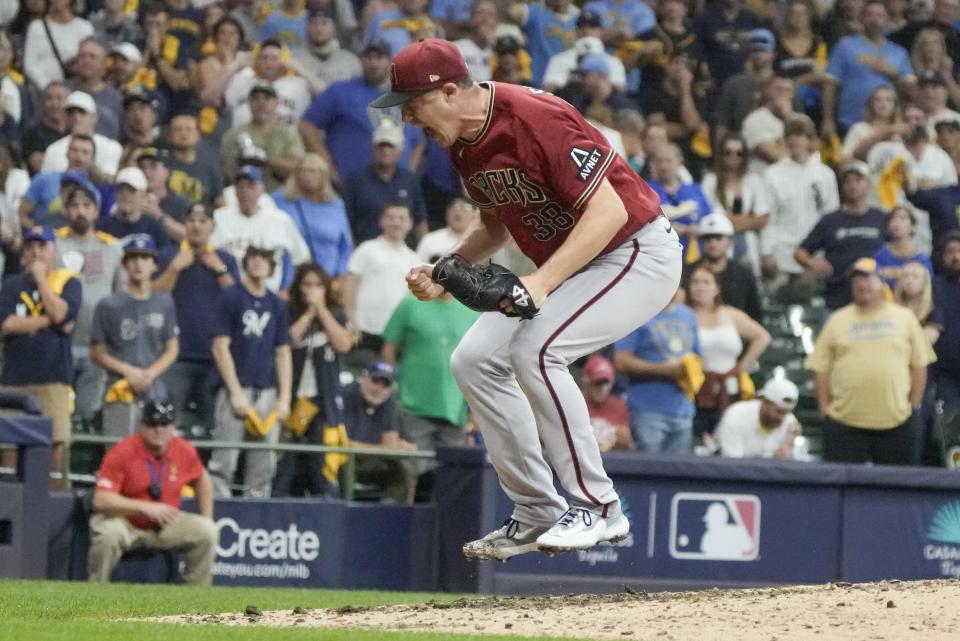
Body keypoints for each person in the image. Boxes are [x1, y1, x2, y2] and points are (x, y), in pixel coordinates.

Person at [377, 39, 681, 557]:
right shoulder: (461, 142)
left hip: (635, 250)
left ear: (450, 91)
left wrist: (539, 283)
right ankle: (538, 510)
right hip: (575, 263)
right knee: (474, 360)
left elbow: (607, 212)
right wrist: (446, 267)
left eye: (411, 102)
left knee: (536, 350)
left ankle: (600, 508)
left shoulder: (533, 116)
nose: (405, 117)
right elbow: (495, 224)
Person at [806, 257, 936, 464]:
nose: (861, 283)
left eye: (868, 278)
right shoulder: (838, 320)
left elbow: (919, 365)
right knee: (841, 490)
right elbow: (820, 369)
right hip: (844, 423)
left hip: (897, 422)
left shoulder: (904, 318)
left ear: (882, 282)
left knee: (895, 490)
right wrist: (824, 410)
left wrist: (914, 405)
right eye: (857, 279)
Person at [87, 400, 217, 585]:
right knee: (108, 534)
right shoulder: (122, 452)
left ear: (173, 427)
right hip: (125, 523)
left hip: (165, 525)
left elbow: (202, 477)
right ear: (142, 425)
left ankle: (196, 599)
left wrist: (207, 516)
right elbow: (101, 500)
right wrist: (144, 508)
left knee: (207, 531)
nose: (158, 430)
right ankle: (95, 590)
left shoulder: (184, 450)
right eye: (152, 424)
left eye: (164, 424)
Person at [209, 245, 292, 497]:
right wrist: (234, 392)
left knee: (264, 463)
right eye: (252, 258)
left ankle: (258, 515)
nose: (257, 262)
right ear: (244, 263)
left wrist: (284, 397)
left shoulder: (276, 303)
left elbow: (283, 351)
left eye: (263, 258)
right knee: (225, 460)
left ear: (271, 267)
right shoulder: (231, 296)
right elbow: (220, 346)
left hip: (266, 389)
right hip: (236, 387)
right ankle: (220, 509)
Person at [0, 226, 81, 481]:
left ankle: (52, 518)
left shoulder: (69, 281)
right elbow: (6, 324)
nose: (36, 252)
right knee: (9, 447)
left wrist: (42, 281)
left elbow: (60, 313)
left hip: (53, 380)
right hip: (14, 381)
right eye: (31, 246)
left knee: (54, 448)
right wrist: (48, 322)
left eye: (42, 246)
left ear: (53, 250)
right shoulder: (12, 284)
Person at [381, 277, 480, 486]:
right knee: (416, 479)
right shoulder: (410, 304)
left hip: (455, 410)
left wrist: (473, 411)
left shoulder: (472, 312)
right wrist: (393, 391)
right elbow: (388, 351)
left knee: (454, 483)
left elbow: (477, 363)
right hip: (413, 406)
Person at [154, 203, 239, 437]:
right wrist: (174, 268)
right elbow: (151, 296)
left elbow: (238, 301)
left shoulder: (226, 260)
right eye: (191, 220)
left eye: (203, 221)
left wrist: (219, 270)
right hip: (175, 356)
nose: (196, 225)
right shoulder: (167, 255)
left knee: (215, 426)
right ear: (183, 224)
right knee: (167, 422)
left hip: (216, 358)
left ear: (213, 225)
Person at [272, 263, 354, 498]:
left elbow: (343, 344)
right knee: (285, 469)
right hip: (293, 402)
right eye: (307, 285)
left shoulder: (336, 313)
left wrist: (322, 311)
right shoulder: (288, 312)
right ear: (299, 288)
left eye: (318, 285)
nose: (313, 290)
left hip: (324, 405)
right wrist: (309, 314)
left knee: (323, 471)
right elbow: (286, 342)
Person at [90, 235, 180, 437]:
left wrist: (150, 373)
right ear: (124, 264)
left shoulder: (164, 302)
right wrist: (128, 371)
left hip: (155, 386)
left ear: (154, 265)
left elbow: (172, 347)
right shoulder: (109, 304)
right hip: (119, 386)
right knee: (119, 449)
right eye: (133, 257)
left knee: (156, 448)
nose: (138, 263)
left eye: (145, 257)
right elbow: (96, 352)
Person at [55, 180, 124, 428]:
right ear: (66, 210)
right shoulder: (54, 244)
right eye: (74, 205)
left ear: (96, 211)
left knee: (89, 413)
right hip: (61, 342)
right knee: (57, 413)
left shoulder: (112, 248)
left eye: (87, 205)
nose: (80, 211)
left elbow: (121, 295)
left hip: (98, 345)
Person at [686, 263, 771, 440]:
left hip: (731, 388)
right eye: (695, 282)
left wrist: (743, 365)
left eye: (705, 282)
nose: (700, 286)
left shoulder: (730, 314)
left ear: (716, 288)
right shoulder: (683, 316)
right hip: (695, 390)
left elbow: (762, 337)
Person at [614, 289, 700, 454]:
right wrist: (664, 370)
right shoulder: (638, 315)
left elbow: (700, 357)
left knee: (681, 474)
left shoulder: (688, 315)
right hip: (646, 409)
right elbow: (621, 361)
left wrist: (690, 366)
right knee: (648, 473)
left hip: (683, 409)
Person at [761, 115, 840, 291]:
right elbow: (769, 217)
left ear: (809, 140)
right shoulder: (772, 174)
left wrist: (830, 252)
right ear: (785, 140)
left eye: (801, 135)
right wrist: (766, 252)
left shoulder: (825, 174)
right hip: (781, 252)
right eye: (791, 135)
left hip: (814, 254)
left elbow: (831, 216)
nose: (795, 140)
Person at [795, 160, 887, 309]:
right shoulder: (830, 220)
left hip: (877, 295)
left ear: (868, 184)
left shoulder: (881, 218)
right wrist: (813, 263)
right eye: (847, 181)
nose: (852, 185)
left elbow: (897, 247)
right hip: (837, 295)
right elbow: (800, 252)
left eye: (858, 180)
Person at [210, 165, 311, 293]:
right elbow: (204, 253)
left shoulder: (280, 219)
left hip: (268, 296)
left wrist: (287, 291)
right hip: (227, 296)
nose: (245, 191)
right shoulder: (219, 217)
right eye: (240, 186)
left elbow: (302, 259)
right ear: (234, 190)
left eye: (251, 186)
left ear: (261, 189)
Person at [822, 0, 916, 138]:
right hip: (849, 123)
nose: (874, 19)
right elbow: (830, 85)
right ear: (861, 18)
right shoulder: (845, 46)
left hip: (888, 126)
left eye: (879, 15)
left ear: (888, 20)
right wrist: (827, 120)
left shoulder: (899, 52)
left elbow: (912, 92)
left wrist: (893, 74)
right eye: (869, 14)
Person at [343, 202, 421, 354]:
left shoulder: (414, 259)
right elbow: (349, 287)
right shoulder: (366, 249)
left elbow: (414, 299)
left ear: (410, 223)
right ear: (381, 221)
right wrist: (351, 321)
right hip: (364, 328)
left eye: (401, 218)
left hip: (396, 334)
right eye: (390, 217)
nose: (396, 222)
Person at [341, 361, 418, 504]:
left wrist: (393, 447)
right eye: (375, 382)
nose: (379, 389)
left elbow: (391, 444)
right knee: (346, 461)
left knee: (404, 464)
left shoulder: (389, 403)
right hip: (345, 459)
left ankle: (400, 513)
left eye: (385, 385)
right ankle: (344, 511)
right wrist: (386, 448)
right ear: (363, 378)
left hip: (371, 460)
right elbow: (343, 444)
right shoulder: (346, 396)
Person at [342, 119, 429, 244]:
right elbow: (346, 222)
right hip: (365, 251)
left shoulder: (409, 181)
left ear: (400, 150)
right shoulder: (356, 181)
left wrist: (423, 251)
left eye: (390, 146)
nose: (385, 151)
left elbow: (420, 220)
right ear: (373, 148)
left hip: (404, 253)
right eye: (381, 146)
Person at [272, 154, 353, 278]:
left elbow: (345, 246)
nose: (308, 176)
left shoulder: (336, 205)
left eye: (313, 171)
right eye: (303, 171)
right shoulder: (279, 200)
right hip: (290, 278)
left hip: (326, 278)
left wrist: (340, 276)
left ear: (324, 176)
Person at [701, 134, 769, 276]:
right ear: (721, 154)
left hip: (749, 244)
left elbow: (762, 219)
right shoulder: (710, 180)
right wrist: (748, 218)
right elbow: (710, 217)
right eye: (728, 152)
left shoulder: (753, 180)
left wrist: (730, 220)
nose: (734, 157)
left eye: (739, 153)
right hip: (719, 244)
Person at [220, 81, 305, 192]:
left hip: (281, 196)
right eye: (256, 99)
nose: (261, 104)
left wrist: (265, 160)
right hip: (244, 195)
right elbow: (228, 172)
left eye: (267, 98)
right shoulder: (234, 134)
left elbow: (298, 168)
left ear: (276, 102)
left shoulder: (288, 134)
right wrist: (244, 160)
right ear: (249, 102)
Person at [689, 213, 763, 321]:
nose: (713, 243)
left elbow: (755, 314)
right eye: (708, 238)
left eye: (718, 238)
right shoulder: (688, 272)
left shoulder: (743, 275)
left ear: (730, 241)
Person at [713, 377, 803, 459]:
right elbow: (733, 463)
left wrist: (787, 448)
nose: (782, 418)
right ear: (765, 402)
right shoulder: (737, 414)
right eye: (779, 411)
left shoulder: (790, 422)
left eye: (787, 412)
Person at [41, 91, 123, 178]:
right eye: (70, 113)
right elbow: (46, 181)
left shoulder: (111, 147)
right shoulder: (53, 149)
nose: (76, 117)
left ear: (94, 118)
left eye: (82, 112)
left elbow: (108, 182)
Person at [22, 0, 94, 91]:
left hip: (73, 88)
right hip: (41, 91)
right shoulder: (36, 27)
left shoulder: (85, 28)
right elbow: (29, 65)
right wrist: (47, 87)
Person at [928, 231, 960, 427]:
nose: (956, 256)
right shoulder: (932, 287)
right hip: (944, 375)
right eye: (950, 252)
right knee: (947, 430)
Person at [291, 7, 362, 90]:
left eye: (324, 23)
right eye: (314, 23)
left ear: (334, 27)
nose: (319, 28)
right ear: (307, 27)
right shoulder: (294, 58)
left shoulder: (351, 61)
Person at [97, 167, 170, 248]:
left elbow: (164, 256)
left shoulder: (154, 228)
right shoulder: (101, 225)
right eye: (121, 190)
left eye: (131, 190)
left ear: (143, 195)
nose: (125, 195)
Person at [67, 38, 123, 140]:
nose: (86, 60)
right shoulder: (63, 91)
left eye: (92, 57)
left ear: (104, 63)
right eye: (82, 56)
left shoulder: (116, 98)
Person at [840, 86, 910, 163]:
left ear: (895, 105)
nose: (883, 103)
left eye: (888, 100)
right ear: (871, 104)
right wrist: (888, 130)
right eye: (877, 100)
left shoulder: (902, 130)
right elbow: (844, 160)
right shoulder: (859, 128)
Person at [579, 355, 632, 452]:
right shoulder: (576, 405)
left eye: (605, 383)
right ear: (586, 382)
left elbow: (627, 446)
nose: (602, 389)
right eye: (597, 383)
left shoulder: (618, 406)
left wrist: (625, 442)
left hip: (612, 461)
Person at [874, 205, 934, 289]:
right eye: (893, 219)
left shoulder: (922, 259)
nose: (897, 222)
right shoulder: (880, 254)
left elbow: (928, 285)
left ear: (913, 227)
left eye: (902, 219)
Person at [22, 82, 69, 175]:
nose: (54, 104)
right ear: (42, 102)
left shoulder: (72, 132)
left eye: (59, 98)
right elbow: (39, 166)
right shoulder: (33, 135)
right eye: (49, 98)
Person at [416, 197, 479, 262]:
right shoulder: (430, 239)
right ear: (447, 213)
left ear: (475, 215)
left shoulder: (481, 241)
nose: (459, 214)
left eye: (464, 210)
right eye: (455, 209)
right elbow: (418, 266)